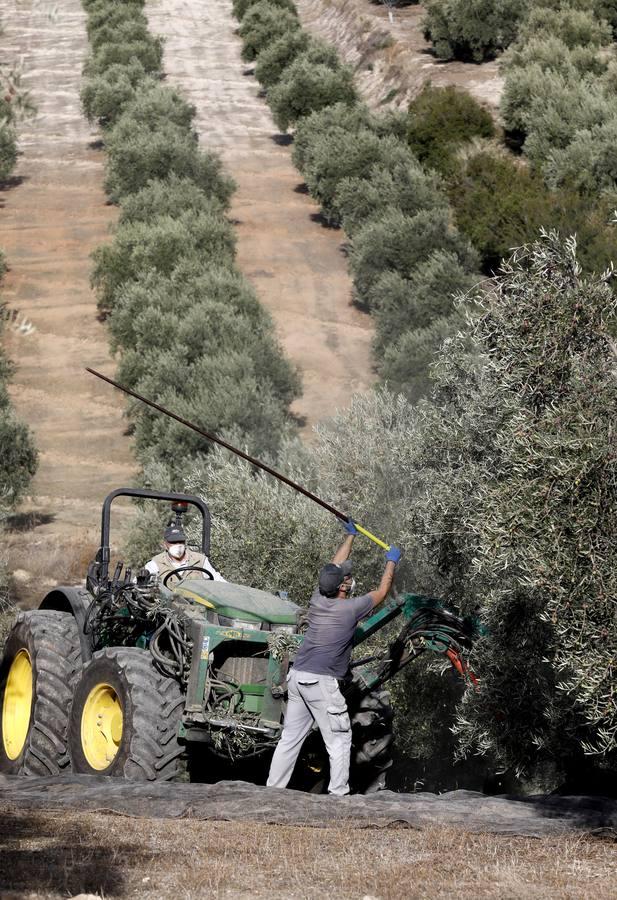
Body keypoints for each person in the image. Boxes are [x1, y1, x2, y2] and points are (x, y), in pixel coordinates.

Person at [267, 520, 401, 796]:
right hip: (321, 684)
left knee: (290, 739)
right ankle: (338, 797)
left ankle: (272, 792)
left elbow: (333, 566)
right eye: (348, 579)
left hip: (298, 677)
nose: (349, 580)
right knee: (339, 739)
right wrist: (391, 562)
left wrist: (349, 537)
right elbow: (383, 592)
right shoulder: (351, 609)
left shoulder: (318, 599)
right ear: (343, 587)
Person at [145, 523, 226, 586]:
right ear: (165, 545)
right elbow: (139, 585)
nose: (178, 545)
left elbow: (219, 581)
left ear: (185, 542)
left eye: (180, 541)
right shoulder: (155, 564)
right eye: (173, 542)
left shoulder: (200, 560)